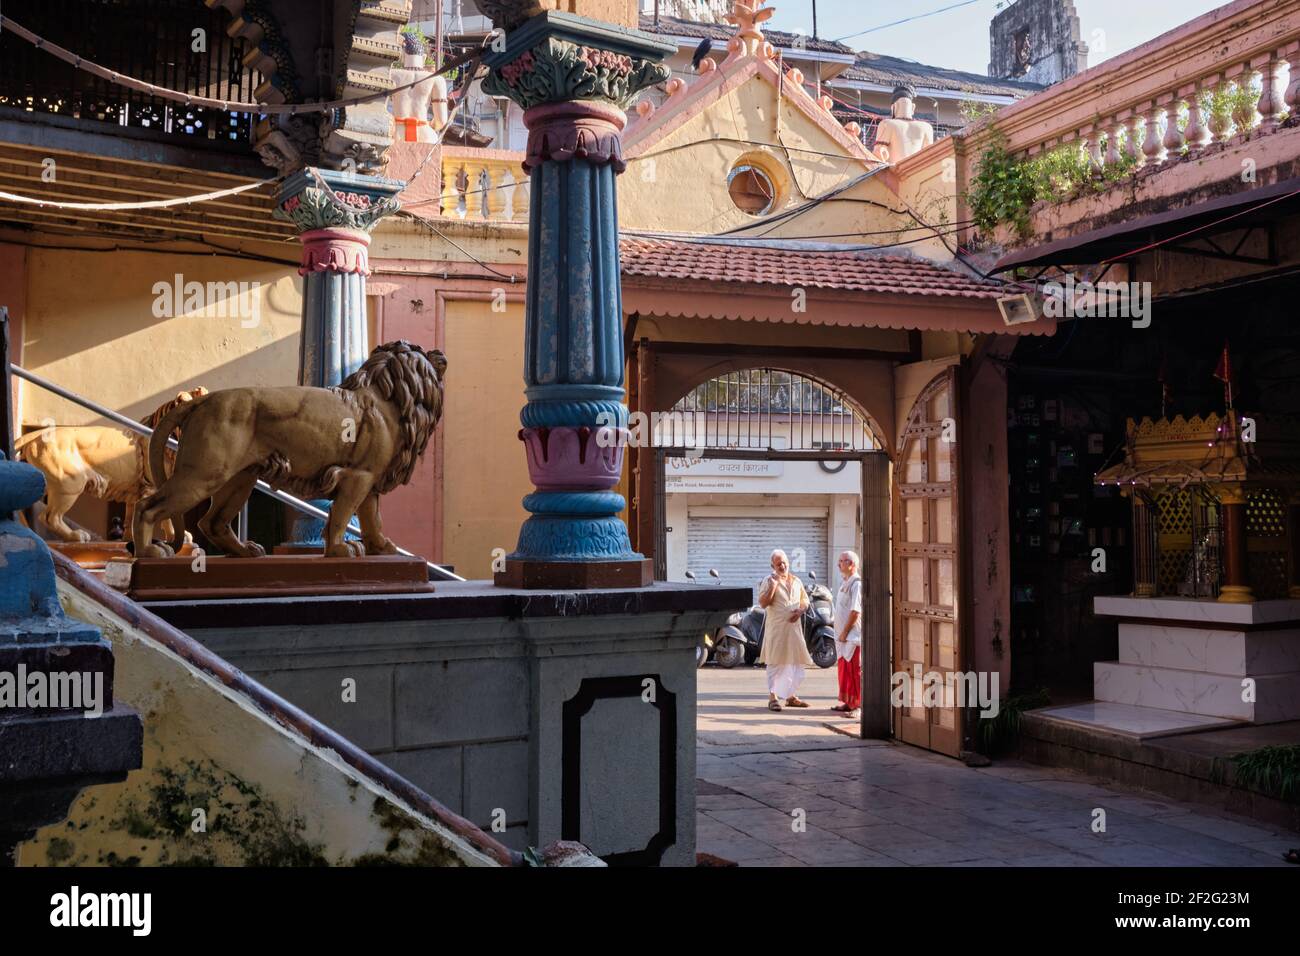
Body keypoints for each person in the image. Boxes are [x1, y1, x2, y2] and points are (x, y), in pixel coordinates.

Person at [757, 549, 813, 712]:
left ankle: (790, 697)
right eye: (778, 563)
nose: (782, 566)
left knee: (794, 663)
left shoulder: (796, 580)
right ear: (773, 566)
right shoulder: (769, 580)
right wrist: (773, 587)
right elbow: (763, 603)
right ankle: (773, 698)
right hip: (777, 630)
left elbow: (805, 601)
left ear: (788, 562)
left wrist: (800, 611)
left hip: (793, 630)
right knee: (776, 663)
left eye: (784, 562)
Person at [831, 550, 863, 717]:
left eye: (842, 561)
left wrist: (844, 632)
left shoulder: (856, 584)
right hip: (842, 637)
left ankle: (858, 706)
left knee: (854, 671)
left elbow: (855, 612)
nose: (839, 564)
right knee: (844, 671)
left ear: (852, 564)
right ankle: (848, 703)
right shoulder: (845, 583)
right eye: (839, 560)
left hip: (852, 636)